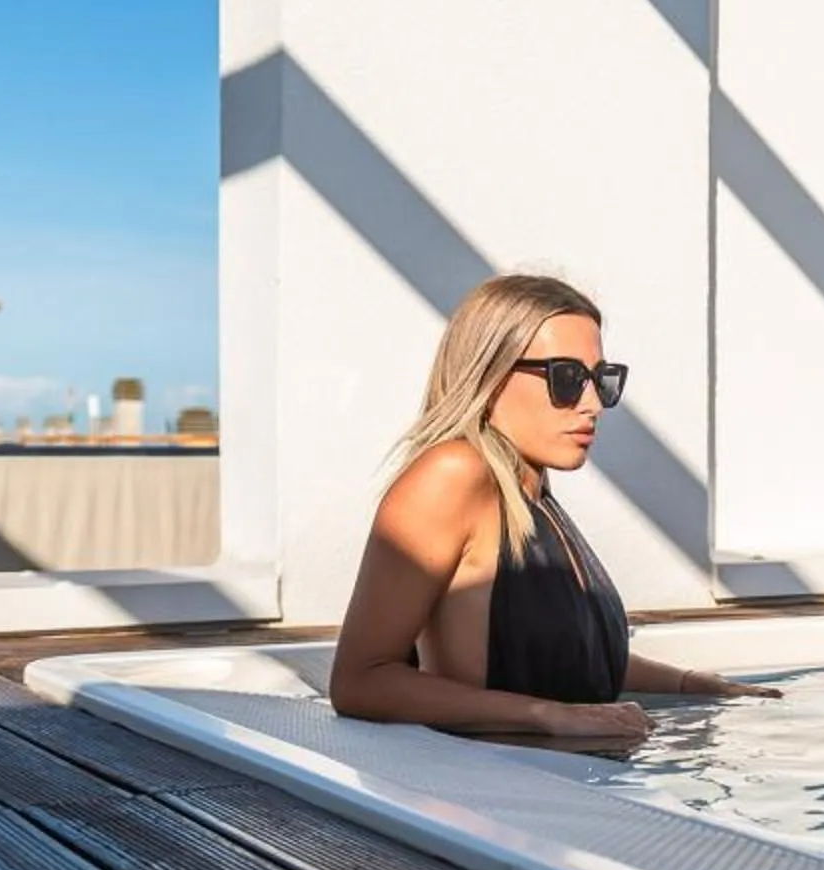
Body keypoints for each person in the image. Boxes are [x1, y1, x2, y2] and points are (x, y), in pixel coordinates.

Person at [330, 272, 775, 745]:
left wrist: (691, 685)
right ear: (491, 374)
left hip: (562, 787)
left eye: (601, 380)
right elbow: (360, 681)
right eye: (566, 378)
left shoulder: (531, 494)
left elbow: (564, 655)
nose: (592, 404)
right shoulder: (452, 474)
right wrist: (548, 715)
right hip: (494, 797)